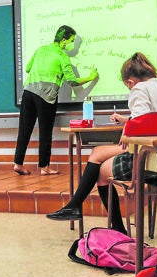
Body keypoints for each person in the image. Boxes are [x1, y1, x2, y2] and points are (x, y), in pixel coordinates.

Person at [46, 52, 157, 234]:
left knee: (100, 167)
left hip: (148, 160)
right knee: (97, 153)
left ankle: (111, 225)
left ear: (130, 82)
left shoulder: (139, 89)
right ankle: (76, 207)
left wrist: (129, 129)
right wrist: (128, 121)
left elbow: (144, 121)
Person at [14, 25, 99, 176]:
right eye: (72, 41)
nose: (74, 45)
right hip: (46, 96)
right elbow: (72, 81)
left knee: (24, 129)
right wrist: (91, 78)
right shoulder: (62, 56)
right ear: (64, 41)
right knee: (45, 132)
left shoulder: (41, 50)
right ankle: (44, 167)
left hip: (28, 92)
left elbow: (27, 68)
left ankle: (18, 163)